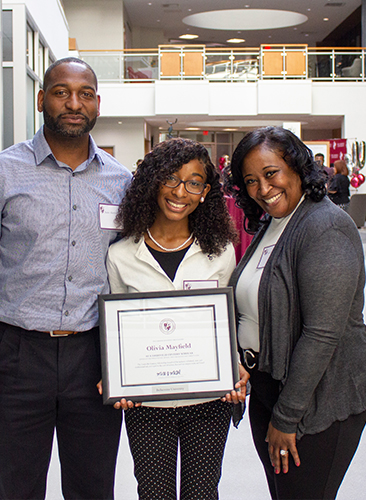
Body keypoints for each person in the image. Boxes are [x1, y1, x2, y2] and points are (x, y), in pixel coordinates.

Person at [0, 57, 132, 500]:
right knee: (17, 489)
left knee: (93, 489)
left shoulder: (122, 182)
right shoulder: (0, 172)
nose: (73, 102)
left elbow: (135, 268)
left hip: (93, 357)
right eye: (61, 91)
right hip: (17, 356)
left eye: (85, 93)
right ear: (40, 99)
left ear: (98, 104)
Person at [225, 127, 366, 500]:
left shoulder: (324, 226)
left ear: (297, 167)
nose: (263, 189)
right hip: (270, 385)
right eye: (250, 181)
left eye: (270, 173)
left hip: (319, 396)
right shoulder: (274, 224)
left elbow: (322, 333)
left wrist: (287, 416)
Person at [106, 138, 248, 500]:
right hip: (147, 407)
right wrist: (117, 379)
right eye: (171, 178)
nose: (180, 191)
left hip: (209, 403)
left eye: (194, 182)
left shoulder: (220, 253)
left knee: (202, 494)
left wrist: (236, 366)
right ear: (153, 181)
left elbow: (228, 322)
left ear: (205, 193)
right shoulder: (121, 255)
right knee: (154, 495)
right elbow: (117, 334)